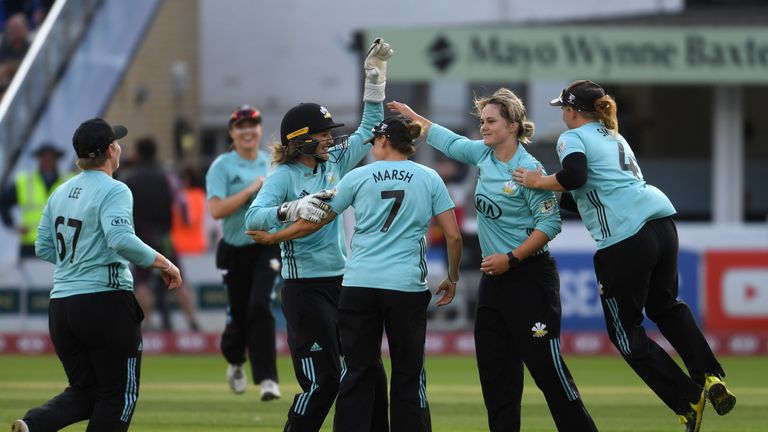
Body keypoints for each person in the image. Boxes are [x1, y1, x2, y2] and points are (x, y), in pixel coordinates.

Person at [513, 79, 736, 432]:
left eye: (564, 109)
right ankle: (709, 376)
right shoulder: (614, 136)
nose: (563, 114)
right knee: (665, 306)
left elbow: (574, 176)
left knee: (624, 332)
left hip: (625, 238)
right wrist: (551, 195)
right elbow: (587, 194)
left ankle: (686, 398)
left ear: (571, 111)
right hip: (662, 222)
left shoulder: (572, 137)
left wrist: (538, 182)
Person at [390, 90, 599, 432]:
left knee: (549, 374)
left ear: (513, 126)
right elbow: (452, 142)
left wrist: (512, 258)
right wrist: (419, 120)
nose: (483, 128)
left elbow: (550, 223)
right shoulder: (483, 155)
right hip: (495, 283)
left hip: (529, 278)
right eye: (482, 121)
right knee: (496, 377)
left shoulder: (528, 169)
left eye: (491, 121)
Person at [247, 116, 462, 431]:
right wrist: (452, 277)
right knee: (408, 373)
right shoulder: (429, 177)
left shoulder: (357, 177)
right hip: (406, 287)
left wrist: (274, 237)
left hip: (358, 284)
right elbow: (453, 236)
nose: (372, 145)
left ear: (384, 141)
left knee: (357, 373)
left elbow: (316, 219)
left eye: (374, 141)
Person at [243, 37, 393, 431]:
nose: (331, 138)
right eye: (323, 134)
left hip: (343, 283)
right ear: (303, 140)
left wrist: (374, 79)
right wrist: (291, 208)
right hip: (305, 291)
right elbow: (254, 219)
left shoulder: (334, 162)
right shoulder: (283, 176)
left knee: (370, 372)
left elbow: (368, 127)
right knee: (322, 382)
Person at [11, 118, 182, 432]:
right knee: (119, 396)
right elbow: (120, 240)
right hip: (105, 303)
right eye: (116, 143)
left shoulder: (60, 192)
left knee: (87, 391)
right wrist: (165, 264)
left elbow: (43, 247)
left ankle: (33, 425)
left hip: (62, 307)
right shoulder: (115, 190)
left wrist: (77, 262)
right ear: (110, 151)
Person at [205, 104, 281, 400]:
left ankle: (268, 380)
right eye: (241, 126)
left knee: (260, 307)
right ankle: (236, 361)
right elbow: (216, 210)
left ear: (260, 129)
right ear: (232, 132)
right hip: (235, 249)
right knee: (238, 313)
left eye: (253, 124)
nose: (248, 130)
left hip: (266, 245)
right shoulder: (222, 166)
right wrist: (251, 190)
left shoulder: (271, 163)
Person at [122, 137, 200, 332]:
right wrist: (185, 218)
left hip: (140, 238)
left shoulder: (129, 178)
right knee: (178, 277)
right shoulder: (167, 176)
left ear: (138, 154)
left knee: (142, 281)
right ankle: (192, 321)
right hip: (164, 235)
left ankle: (147, 324)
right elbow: (181, 203)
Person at [0, 142, 70, 259]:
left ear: (57, 159)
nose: (48, 160)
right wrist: (12, 224)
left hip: (61, 244)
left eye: (51, 157)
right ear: (39, 159)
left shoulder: (69, 181)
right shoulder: (24, 181)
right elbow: (3, 202)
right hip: (31, 244)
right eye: (44, 157)